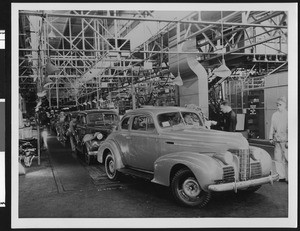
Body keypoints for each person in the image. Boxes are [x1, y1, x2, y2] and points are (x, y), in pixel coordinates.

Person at [269, 96, 288, 183]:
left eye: (280, 104)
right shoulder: (274, 115)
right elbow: (272, 127)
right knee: (278, 159)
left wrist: (289, 140)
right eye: (277, 105)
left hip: (285, 140)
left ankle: (289, 177)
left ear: (285, 105)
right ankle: (281, 176)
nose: (278, 106)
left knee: (288, 158)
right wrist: (270, 137)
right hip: (277, 139)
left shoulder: (288, 115)